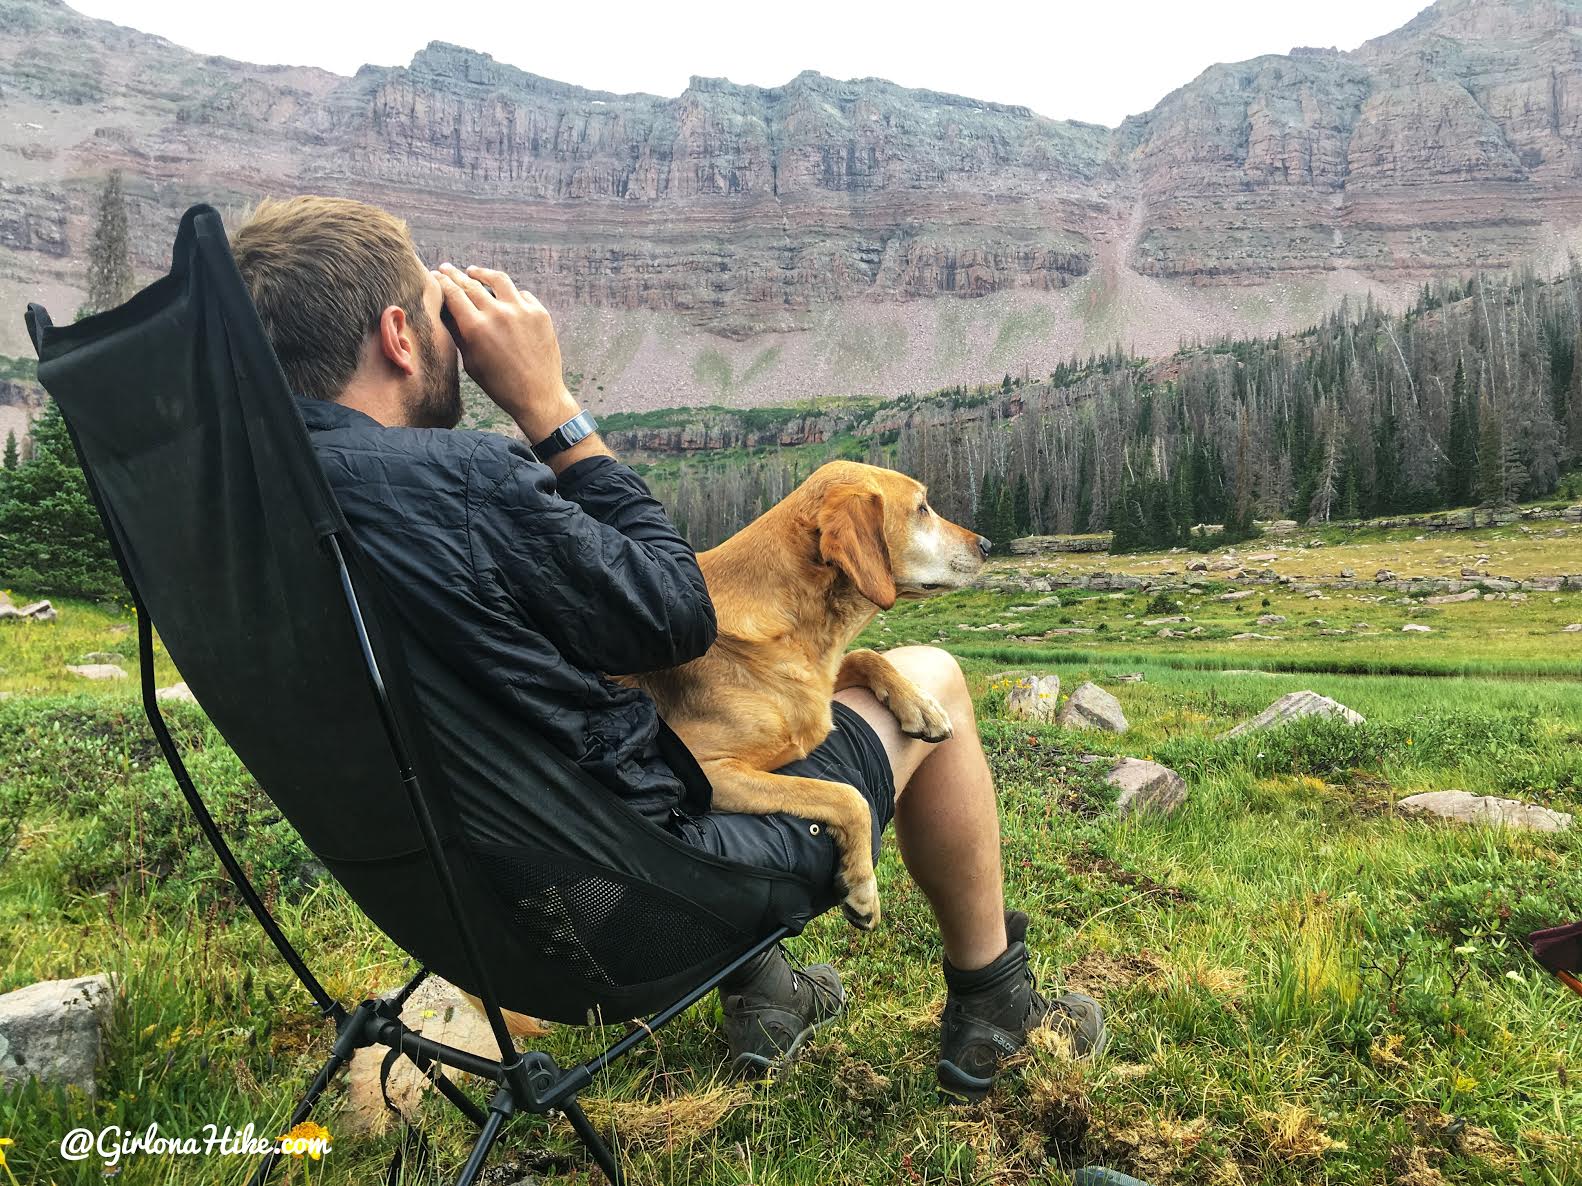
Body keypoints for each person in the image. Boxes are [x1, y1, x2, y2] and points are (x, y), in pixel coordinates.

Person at [230, 196, 1104, 1101]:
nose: (460, 335)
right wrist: (550, 407)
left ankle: (768, 996)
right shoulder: (462, 488)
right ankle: (997, 1014)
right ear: (400, 336)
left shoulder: (244, 520)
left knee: (679, 718)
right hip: (632, 912)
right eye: (439, 313)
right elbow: (678, 612)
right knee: (936, 678)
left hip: (457, 912)